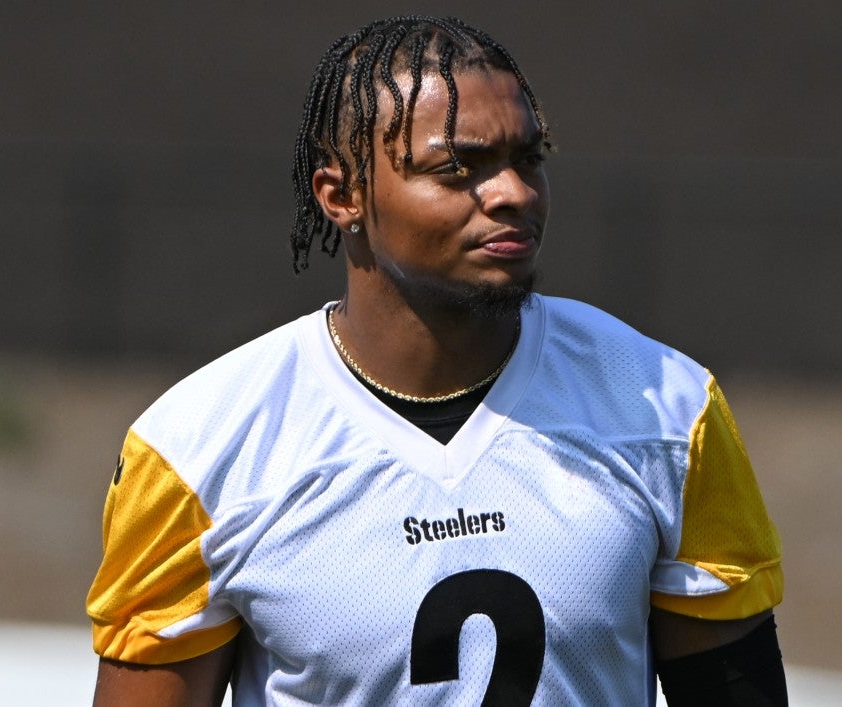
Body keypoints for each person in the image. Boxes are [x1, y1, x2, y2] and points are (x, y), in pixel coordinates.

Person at [87, 15, 786, 706]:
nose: (514, 192)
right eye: (458, 167)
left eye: (529, 158)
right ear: (342, 195)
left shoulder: (666, 406)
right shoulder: (199, 448)